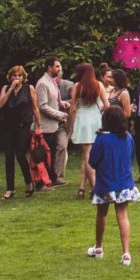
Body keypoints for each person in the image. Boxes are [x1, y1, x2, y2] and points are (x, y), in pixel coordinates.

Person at [87, 106, 140, 266]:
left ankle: (98, 248)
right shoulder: (128, 137)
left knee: (101, 214)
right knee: (123, 215)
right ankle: (126, 253)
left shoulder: (102, 139)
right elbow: (131, 157)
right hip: (124, 182)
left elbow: (93, 161)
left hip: (105, 183)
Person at [0, 64, 36, 200]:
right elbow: (0, 104)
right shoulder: (5, 88)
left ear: (23, 77)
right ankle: (10, 188)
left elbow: (35, 108)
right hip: (8, 126)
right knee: (9, 156)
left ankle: (29, 181)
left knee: (20, 154)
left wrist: (39, 125)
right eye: (14, 75)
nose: (17, 78)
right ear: (10, 77)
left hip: (24, 125)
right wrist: (11, 89)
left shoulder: (29, 88)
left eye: (19, 75)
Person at [68, 62, 105, 200]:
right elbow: (106, 105)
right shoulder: (99, 85)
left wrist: (71, 126)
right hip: (95, 120)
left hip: (82, 120)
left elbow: (72, 107)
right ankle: (86, 188)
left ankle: (94, 188)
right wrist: (96, 112)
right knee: (89, 154)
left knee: (87, 154)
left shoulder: (77, 86)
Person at [34, 59, 68, 187]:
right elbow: (42, 106)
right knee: (43, 156)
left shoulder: (53, 82)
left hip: (53, 126)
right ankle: (42, 181)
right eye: (57, 66)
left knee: (52, 154)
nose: (59, 69)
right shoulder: (42, 83)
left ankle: (51, 179)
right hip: (45, 126)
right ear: (49, 67)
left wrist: (62, 104)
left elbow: (53, 100)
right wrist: (60, 114)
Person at [54, 67, 76, 186]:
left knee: (62, 146)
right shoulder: (45, 85)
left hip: (63, 122)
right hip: (49, 121)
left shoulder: (68, 85)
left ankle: (59, 177)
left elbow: (75, 100)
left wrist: (60, 103)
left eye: (59, 73)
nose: (56, 76)